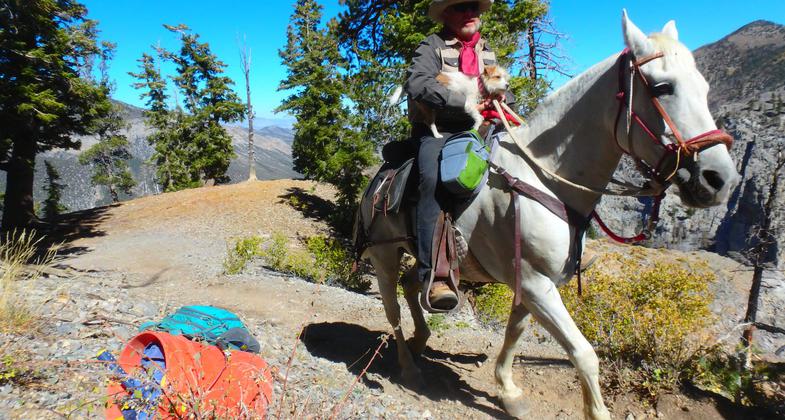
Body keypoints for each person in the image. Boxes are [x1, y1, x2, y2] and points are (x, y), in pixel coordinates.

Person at [404, 0, 505, 311]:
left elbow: (502, 85)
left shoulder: (486, 50)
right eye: (461, 7)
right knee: (433, 177)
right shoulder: (431, 45)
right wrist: (458, 100)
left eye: (473, 6)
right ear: (446, 14)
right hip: (441, 129)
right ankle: (436, 275)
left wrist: (502, 96)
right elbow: (417, 82)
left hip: (484, 126)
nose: (469, 13)